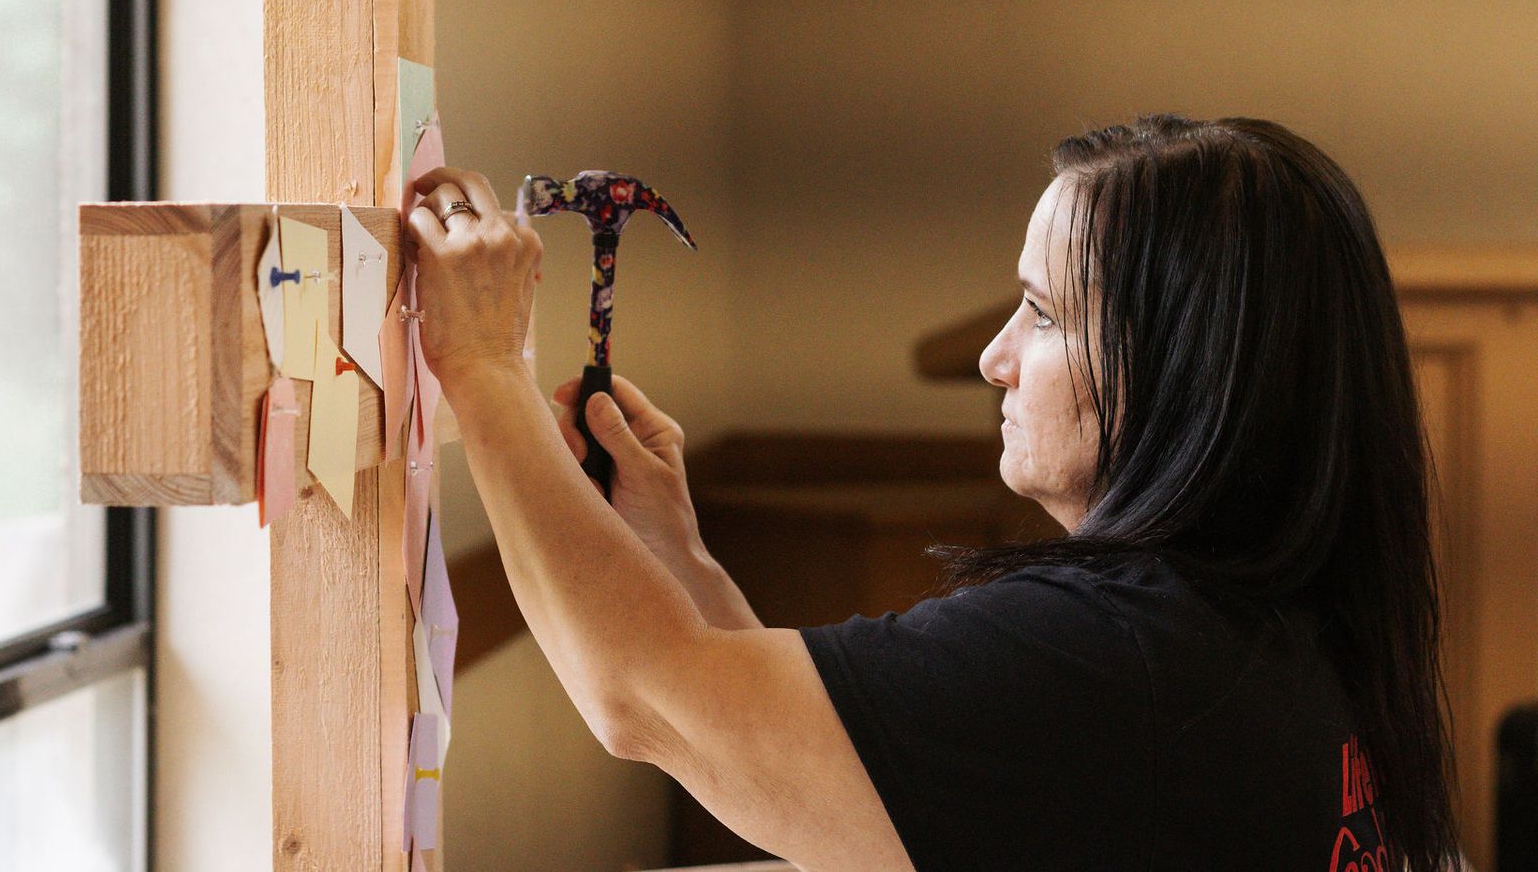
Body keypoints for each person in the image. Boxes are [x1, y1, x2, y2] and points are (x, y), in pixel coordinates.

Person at [406, 114, 1458, 872]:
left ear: (1184, 365)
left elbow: (647, 700)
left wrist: (483, 368)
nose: (997, 357)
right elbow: (828, 774)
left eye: (1044, 314)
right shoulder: (1270, 621)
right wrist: (679, 554)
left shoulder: (1117, 659)